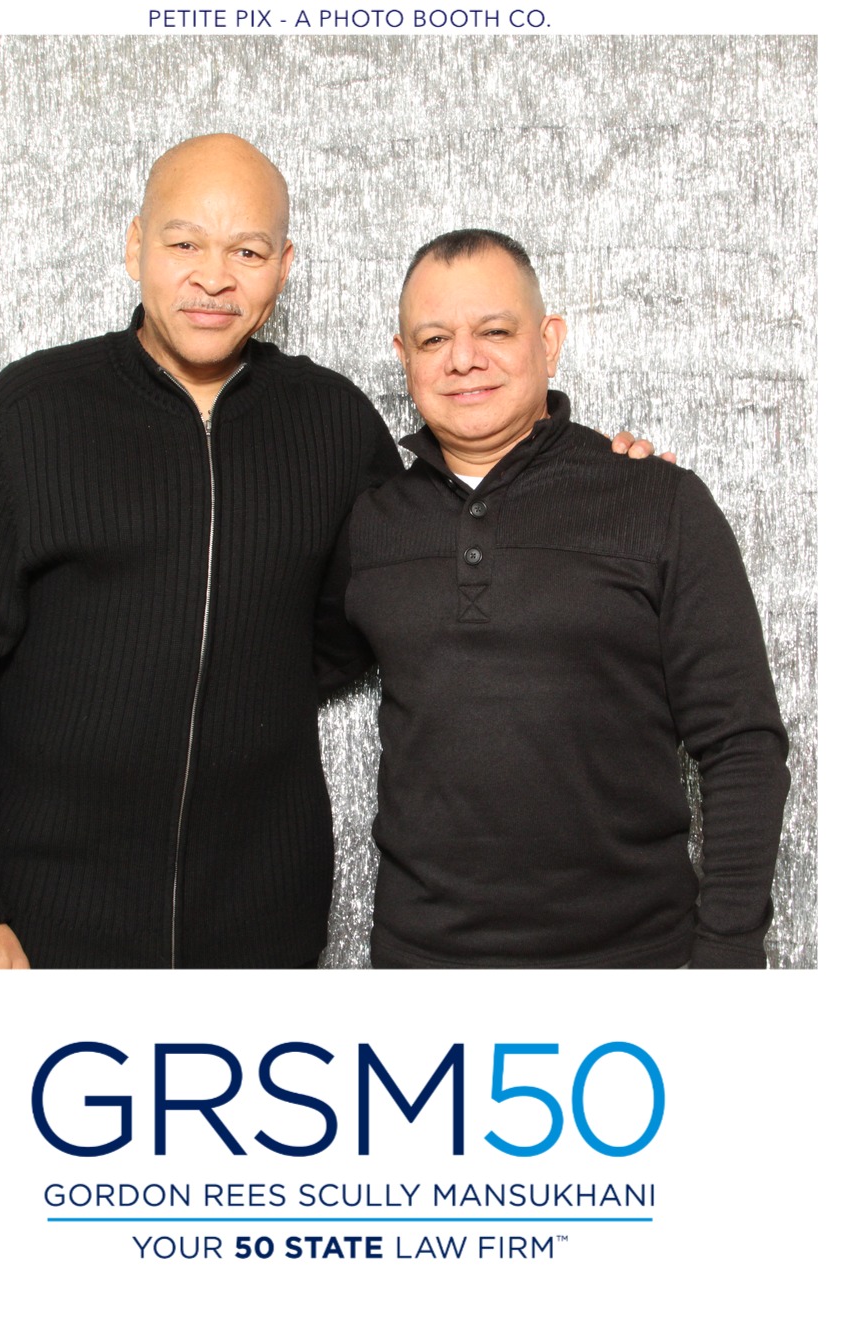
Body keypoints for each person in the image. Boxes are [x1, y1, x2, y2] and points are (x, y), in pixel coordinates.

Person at [0, 141, 657, 969]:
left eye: (248, 252)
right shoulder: (29, 413)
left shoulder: (334, 423)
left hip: (263, 924)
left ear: (284, 267)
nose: (213, 277)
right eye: (184, 243)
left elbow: (433, 553)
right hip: (38, 926)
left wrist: (587, 475)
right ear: (135, 246)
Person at [316, 229, 790, 969]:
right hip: (422, 965)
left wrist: (728, 953)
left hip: (637, 964)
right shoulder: (371, 524)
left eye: (494, 331)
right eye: (434, 339)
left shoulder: (658, 501)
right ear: (403, 357)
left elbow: (741, 744)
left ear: (549, 341)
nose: (463, 359)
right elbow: (275, 673)